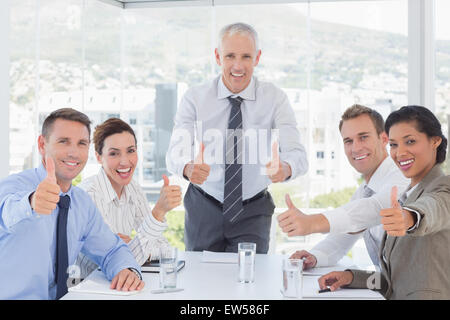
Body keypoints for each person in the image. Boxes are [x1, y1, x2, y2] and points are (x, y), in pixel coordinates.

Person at [166, 22, 308, 253]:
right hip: (204, 205)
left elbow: (298, 154)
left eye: (246, 57)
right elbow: (175, 153)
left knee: (250, 281)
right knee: (201, 280)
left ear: (257, 58)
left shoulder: (274, 98)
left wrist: (286, 167)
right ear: (218, 56)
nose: (238, 66)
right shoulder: (195, 98)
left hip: (253, 209)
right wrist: (188, 167)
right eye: (230, 56)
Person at [0, 108, 144, 300]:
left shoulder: (81, 202)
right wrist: (32, 202)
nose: (73, 152)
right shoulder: (14, 186)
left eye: (81, 143)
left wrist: (126, 270)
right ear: (42, 145)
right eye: (63, 141)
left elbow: (111, 249)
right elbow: (7, 212)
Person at [318, 105, 450, 300]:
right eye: (394, 145)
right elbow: (394, 282)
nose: (400, 152)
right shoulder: (407, 195)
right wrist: (351, 277)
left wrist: (409, 217)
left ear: (435, 141)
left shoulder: (443, 188)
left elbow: (432, 209)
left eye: (410, 141)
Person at [279, 105, 409, 269]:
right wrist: (314, 257)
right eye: (348, 141)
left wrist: (312, 222)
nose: (355, 148)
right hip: (387, 288)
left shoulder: (402, 175)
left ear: (384, 139)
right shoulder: (364, 191)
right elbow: (340, 239)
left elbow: (375, 208)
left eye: (363, 137)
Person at [76, 118, 182, 279]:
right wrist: (158, 212)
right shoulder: (89, 195)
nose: (125, 161)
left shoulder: (133, 187)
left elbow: (164, 248)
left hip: (117, 287)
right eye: (114, 153)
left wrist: (132, 245)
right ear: (98, 157)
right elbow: (117, 262)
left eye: (130, 150)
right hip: (86, 287)